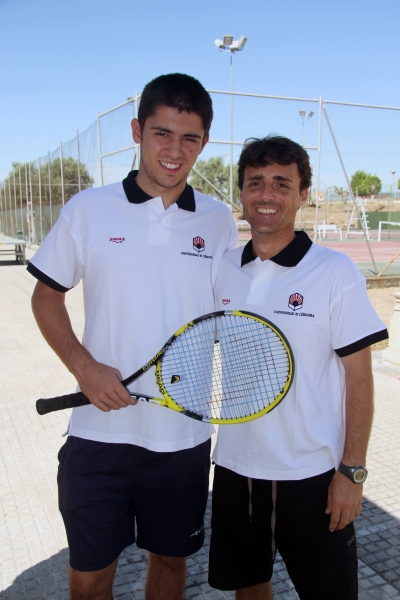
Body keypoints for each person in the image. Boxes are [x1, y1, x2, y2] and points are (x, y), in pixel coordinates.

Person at [28, 73, 238, 600]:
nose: (174, 150)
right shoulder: (87, 209)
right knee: (91, 576)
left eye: (189, 138)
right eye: (161, 133)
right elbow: (45, 297)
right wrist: (85, 369)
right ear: (136, 131)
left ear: (205, 143)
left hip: (182, 439)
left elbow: (228, 319)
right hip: (97, 438)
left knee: (170, 562)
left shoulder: (218, 221)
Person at [208, 135, 388, 600]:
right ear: (242, 194)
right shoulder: (224, 268)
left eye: (281, 183)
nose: (267, 194)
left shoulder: (335, 271)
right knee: (249, 590)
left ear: (304, 194)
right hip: (235, 469)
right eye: (255, 183)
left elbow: (359, 377)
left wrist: (352, 472)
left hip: (312, 477)